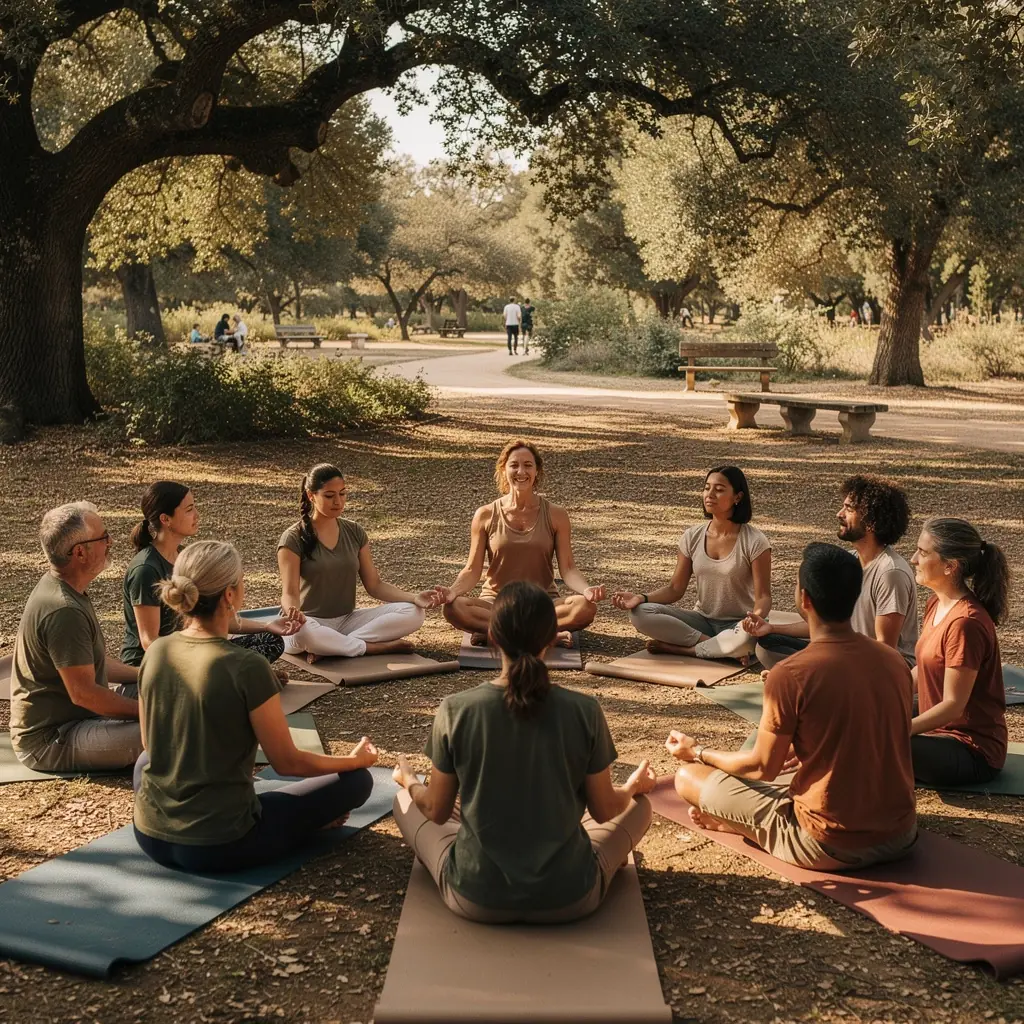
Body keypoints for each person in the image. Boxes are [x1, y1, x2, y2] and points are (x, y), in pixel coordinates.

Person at [393, 581, 655, 922]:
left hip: (475, 895)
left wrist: (409, 780)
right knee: (640, 807)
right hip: (570, 895)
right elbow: (605, 810)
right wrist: (632, 787)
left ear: (493, 636)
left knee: (404, 801)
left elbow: (436, 810)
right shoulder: (584, 709)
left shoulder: (456, 709)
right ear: (553, 638)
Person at [667, 543, 918, 871]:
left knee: (687, 778)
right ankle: (747, 822)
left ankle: (745, 826)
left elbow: (762, 769)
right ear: (855, 596)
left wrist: (698, 752)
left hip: (828, 843)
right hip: (901, 834)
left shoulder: (790, 674)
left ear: (804, 600)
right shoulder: (895, 661)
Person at [132, 540, 378, 872]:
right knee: (358, 781)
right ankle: (304, 826)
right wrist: (352, 762)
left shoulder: (157, 651)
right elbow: (288, 762)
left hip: (149, 836)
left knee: (145, 760)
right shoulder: (246, 666)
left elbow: (150, 744)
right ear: (230, 595)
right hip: (220, 845)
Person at [10, 502, 142, 773]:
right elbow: (86, 695)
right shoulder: (64, 610)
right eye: (104, 537)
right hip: (52, 740)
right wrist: (152, 712)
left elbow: (93, 663)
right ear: (80, 552)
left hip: (83, 718)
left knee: (174, 690)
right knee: (176, 726)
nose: (111, 542)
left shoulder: (67, 589)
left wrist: (147, 674)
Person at [442, 440, 606, 646]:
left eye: (528, 465)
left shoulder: (556, 515)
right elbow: (471, 570)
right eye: (514, 465)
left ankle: (498, 633)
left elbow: (569, 569)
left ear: (537, 470)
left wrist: (587, 590)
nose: (521, 471)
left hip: (543, 603)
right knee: (453, 608)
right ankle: (542, 636)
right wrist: (453, 591)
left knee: (586, 607)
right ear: (503, 470)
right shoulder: (484, 515)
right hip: (496, 602)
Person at [746, 475, 918, 668]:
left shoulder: (890, 573)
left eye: (849, 509)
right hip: (846, 653)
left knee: (801, 664)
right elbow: (828, 626)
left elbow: (885, 649)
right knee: (768, 644)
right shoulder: (849, 560)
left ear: (872, 521)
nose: (839, 514)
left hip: (878, 667)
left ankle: (808, 678)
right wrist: (771, 628)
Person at [278, 463, 445, 660]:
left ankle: (333, 646)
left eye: (343, 494)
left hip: (348, 620)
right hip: (309, 623)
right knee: (304, 633)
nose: (338, 502)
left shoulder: (354, 531)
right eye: (329, 496)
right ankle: (373, 647)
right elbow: (289, 593)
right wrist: (293, 612)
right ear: (311, 495)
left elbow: (374, 585)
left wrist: (414, 597)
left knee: (414, 612)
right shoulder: (292, 538)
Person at [121, 481, 295, 668]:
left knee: (271, 640)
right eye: (189, 510)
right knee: (232, 662)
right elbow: (150, 642)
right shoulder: (146, 569)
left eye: (194, 507)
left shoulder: (184, 556)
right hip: (157, 664)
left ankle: (238, 676)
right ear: (165, 519)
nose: (196, 515)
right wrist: (200, 662)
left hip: (193, 648)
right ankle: (235, 678)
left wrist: (268, 625)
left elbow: (213, 616)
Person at [612, 466, 771, 660]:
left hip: (739, 624)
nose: (710, 494)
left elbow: (763, 597)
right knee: (639, 613)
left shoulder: (755, 541)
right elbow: (675, 589)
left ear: (737, 497)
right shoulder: (692, 536)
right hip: (702, 621)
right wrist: (641, 598)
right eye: (706, 488)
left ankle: (683, 649)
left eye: (719, 489)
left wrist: (755, 619)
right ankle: (717, 646)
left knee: (747, 638)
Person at [909, 517, 1009, 787]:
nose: (913, 559)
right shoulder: (936, 603)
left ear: (950, 566)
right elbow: (925, 667)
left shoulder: (966, 623)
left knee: (876, 740)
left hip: (971, 751)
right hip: (939, 731)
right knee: (863, 714)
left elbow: (953, 706)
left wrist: (898, 730)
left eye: (923, 552)